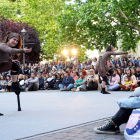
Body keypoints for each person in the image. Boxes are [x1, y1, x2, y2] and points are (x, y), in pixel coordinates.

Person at [0, 32, 32, 116]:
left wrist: (11, 61)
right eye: (14, 39)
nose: (15, 42)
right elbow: (10, 50)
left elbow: (4, 57)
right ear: (9, 39)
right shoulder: (2, 45)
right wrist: (23, 50)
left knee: (15, 66)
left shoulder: (8, 50)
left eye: (17, 41)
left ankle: (14, 85)